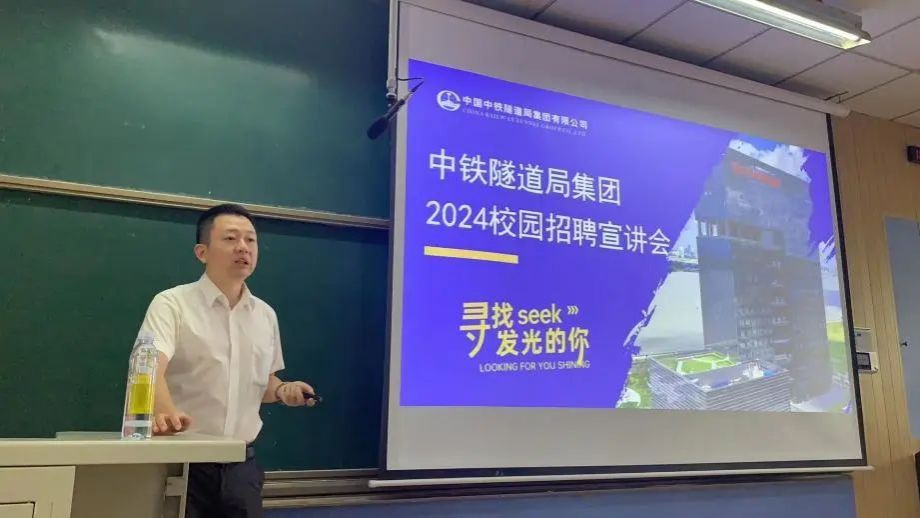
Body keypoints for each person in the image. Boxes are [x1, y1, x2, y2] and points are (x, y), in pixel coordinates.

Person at [137, 203, 315, 518]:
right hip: (181, 462)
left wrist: (281, 390)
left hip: (241, 467)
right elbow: (148, 366)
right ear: (202, 252)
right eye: (231, 239)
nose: (243, 247)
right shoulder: (172, 304)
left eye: (251, 240)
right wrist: (165, 410)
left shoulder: (265, 315)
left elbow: (262, 382)